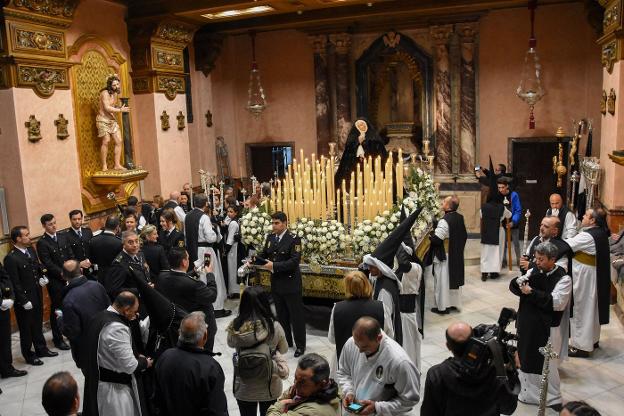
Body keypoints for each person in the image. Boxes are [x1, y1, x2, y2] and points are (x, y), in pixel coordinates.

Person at [510, 241, 572, 411]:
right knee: (526, 356)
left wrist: (531, 292)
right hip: (528, 323)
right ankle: (528, 393)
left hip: (547, 328)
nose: (537, 262)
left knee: (546, 363)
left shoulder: (563, 278)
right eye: (536, 258)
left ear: (553, 259)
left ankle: (550, 396)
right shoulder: (535, 270)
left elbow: (557, 303)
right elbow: (519, 286)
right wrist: (518, 283)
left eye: (541, 259)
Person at [420, 321, 519, 415]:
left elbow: (429, 412)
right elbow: (508, 408)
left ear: (448, 346)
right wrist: (510, 372)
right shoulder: (495, 373)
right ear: (474, 342)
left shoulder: (437, 374)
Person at [82, 291, 152, 416]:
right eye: (134, 311)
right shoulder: (116, 328)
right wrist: (144, 362)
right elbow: (130, 366)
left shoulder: (99, 317)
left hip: (101, 381)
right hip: (116, 392)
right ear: (126, 309)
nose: (136, 314)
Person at [337, 317, 420, 415]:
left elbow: (410, 399)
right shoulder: (351, 343)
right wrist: (349, 391)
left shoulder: (399, 361)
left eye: (365, 347)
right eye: (356, 344)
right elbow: (343, 372)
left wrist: (378, 407)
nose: (359, 351)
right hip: (357, 410)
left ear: (379, 338)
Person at [227, 286, 289, 416]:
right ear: (265, 303)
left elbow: (230, 344)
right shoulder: (274, 326)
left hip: (243, 385)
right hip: (269, 385)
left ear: (243, 304)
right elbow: (284, 349)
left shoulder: (235, 326)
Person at [155, 311, 228, 415]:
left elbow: (157, 398)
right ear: (205, 336)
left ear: (179, 333)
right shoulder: (210, 367)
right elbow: (217, 409)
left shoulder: (164, 357)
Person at [5, 225, 58, 365]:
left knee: (37, 323)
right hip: (25, 299)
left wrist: (42, 276)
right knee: (26, 328)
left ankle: (41, 349)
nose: (29, 237)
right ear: (18, 238)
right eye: (26, 235)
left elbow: (37, 266)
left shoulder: (30, 250)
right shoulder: (11, 258)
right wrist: (23, 301)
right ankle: (29, 355)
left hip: (36, 292)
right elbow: (14, 282)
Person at [564, 207, 611, 357]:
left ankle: (581, 347)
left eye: (585, 215)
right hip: (594, 275)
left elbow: (567, 245)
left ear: (593, 220)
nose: (582, 216)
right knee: (593, 309)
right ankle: (592, 340)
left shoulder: (588, 237)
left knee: (582, 308)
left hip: (584, 276)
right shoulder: (600, 232)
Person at [258, 211, 306, 357]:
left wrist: (274, 266)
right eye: (272, 223)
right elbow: (264, 254)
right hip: (277, 283)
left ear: (285, 223)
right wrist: (254, 260)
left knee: (296, 316)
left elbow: (293, 262)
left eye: (277, 223)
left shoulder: (294, 239)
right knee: (281, 315)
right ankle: (286, 342)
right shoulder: (271, 237)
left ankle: (300, 345)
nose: (274, 226)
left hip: (291, 282)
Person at [156, 247, 218, 352]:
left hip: (179, 325)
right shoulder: (195, 285)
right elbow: (212, 296)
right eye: (188, 258)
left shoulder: (162, 276)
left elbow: (178, 278)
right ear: (184, 262)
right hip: (198, 326)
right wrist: (210, 274)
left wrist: (193, 272)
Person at [58, 260, 110, 371]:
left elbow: (72, 331)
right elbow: (109, 310)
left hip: (87, 350)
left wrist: (60, 320)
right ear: (81, 270)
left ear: (63, 276)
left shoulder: (68, 300)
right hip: (107, 340)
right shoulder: (97, 285)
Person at [185, 194, 230, 317]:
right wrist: (216, 233)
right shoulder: (204, 217)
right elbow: (210, 238)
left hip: (194, 251)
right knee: (212, 275)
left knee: (200, 277)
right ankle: (216, 308)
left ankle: (203, 307)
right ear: (205, 204)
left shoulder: (187, 216)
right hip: (206, 252)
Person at [328, 271, 386, 364]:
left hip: (346, 360)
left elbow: (332, 338)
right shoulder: (380, 307)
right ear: (367, 285)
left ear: (347, 287)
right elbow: (388, 335)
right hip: (373, 360)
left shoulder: (338, 308)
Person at [426, 195, 467, 314]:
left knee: (442, 282)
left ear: (448, 206)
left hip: (445, 256)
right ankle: (453, 304)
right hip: (456, 255)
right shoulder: (460, 217)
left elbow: (437, 240)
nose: (442, 203)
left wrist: (430, 236)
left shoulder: (444, 221)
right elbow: (464, 235)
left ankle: (443, 307)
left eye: (444, 202)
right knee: (452, 281)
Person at [37, 213, 72, 350]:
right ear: (44, 226)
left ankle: (69, 331)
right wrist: (63, 274)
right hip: (56, 281)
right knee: (58, 309)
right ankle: (58, 338)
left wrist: (72, 271)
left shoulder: (63, 237)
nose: (54, 226)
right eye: (50, 224)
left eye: (54, 223)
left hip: (69, 276)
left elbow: (70, 254)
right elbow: (48, 263)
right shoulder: (42, 243)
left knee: (70, 305)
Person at [266, 353, 340, 416]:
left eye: (302, 383)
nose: (295, 385)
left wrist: (280, 404)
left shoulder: (312, 412)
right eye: (295, 378)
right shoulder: (329, 388)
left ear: (321, 384)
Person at [334, 118, 388, 190]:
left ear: (366, 125)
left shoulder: (374, 139)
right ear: (356, 128)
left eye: (362, 125)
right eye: (359, 126)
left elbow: (378, 153)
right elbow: (348, 155)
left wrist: (365, 143)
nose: (361, 127)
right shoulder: (352, 140)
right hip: (356, 168)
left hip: (371, 166)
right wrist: (358, 142)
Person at [103, 230, 150, 301]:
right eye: (130, 242)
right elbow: (114, 290)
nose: (135, 245)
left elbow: (144, 272)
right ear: (123, 244)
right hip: (133, 301)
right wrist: (141, 290)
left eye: (136, 241)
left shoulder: (140, 254)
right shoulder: (119, 264)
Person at [0, 260, 27, 379]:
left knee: (5, 339)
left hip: (3, 306)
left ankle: (7, 369)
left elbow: (5, 277)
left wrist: (10, 297)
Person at [97, 73, 129, 171]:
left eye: (117, 84)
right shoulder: (105, 93)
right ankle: (104, 165)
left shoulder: (114, 93)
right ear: (109, 85)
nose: (116, 87)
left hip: (111, 120)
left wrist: (119, 107)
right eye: (114, 85)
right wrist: (120, 111)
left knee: (119, 141)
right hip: (102, 120)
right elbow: (106, 108)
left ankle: (117, 164)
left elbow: (112, 107)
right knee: (106, 141)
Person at [480, 186, 511, 280]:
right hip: (498, 230)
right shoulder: (501, 207)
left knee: (486, 252)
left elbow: (481, 216)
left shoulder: (483, 207)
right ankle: (494, 273)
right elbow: (509, 215)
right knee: (497, 252)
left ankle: (484, 273)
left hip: (486, 231)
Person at [498, 177, 522, 268]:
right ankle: (503, 261)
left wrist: (514, 222)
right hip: (502, 223)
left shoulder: (514, 195)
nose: (500, 190)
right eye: (499, 187)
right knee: (503, 243)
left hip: (512, 222)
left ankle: (519, 260)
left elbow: (518, 210)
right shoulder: (498, 195)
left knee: (516, 243)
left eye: (502, 187)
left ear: (507, 186)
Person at [89, 215, 122, 280]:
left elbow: (91, 260)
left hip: (99, 276)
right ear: (117, 227)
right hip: (115, 276)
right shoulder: (119, 242)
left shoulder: (93, 240)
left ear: (105, 225)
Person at [65, 209, 95, 279]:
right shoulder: (66, 236)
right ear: (70, 220)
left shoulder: (87, 231)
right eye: (74, 219)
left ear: (82, 219)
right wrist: (79, 264)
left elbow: (93, 248)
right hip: (78, 271)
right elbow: (69, 254)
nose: (77, 221)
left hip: (91, 267)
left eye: (79, 219)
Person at [225, 204, 244, 298]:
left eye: (231, 212)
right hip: (236, 247)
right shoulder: (236, 221)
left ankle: (233, 291)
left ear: (236, 212)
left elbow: (230, 239)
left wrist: (225, 251)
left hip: (233, 249)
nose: (228, 213)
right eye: (228, 211)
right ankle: (236, 289)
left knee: (232, 268)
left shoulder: (233, 223)